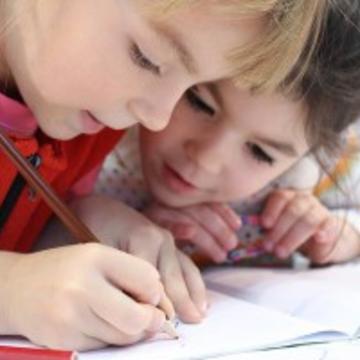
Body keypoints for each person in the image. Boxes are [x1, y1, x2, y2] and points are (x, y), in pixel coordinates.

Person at [0, 0, 326, 351]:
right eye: (147, 58)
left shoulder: (86, 125)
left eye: (191, 87)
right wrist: (13, 289)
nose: (157, 118)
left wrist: (70, 225)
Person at [96, 0, 360, 269]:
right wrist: (121, 227)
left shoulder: (311, 174)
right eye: (199, 103)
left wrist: (342, 234)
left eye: (260, 152)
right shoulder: (100, 135)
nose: (206, 159)